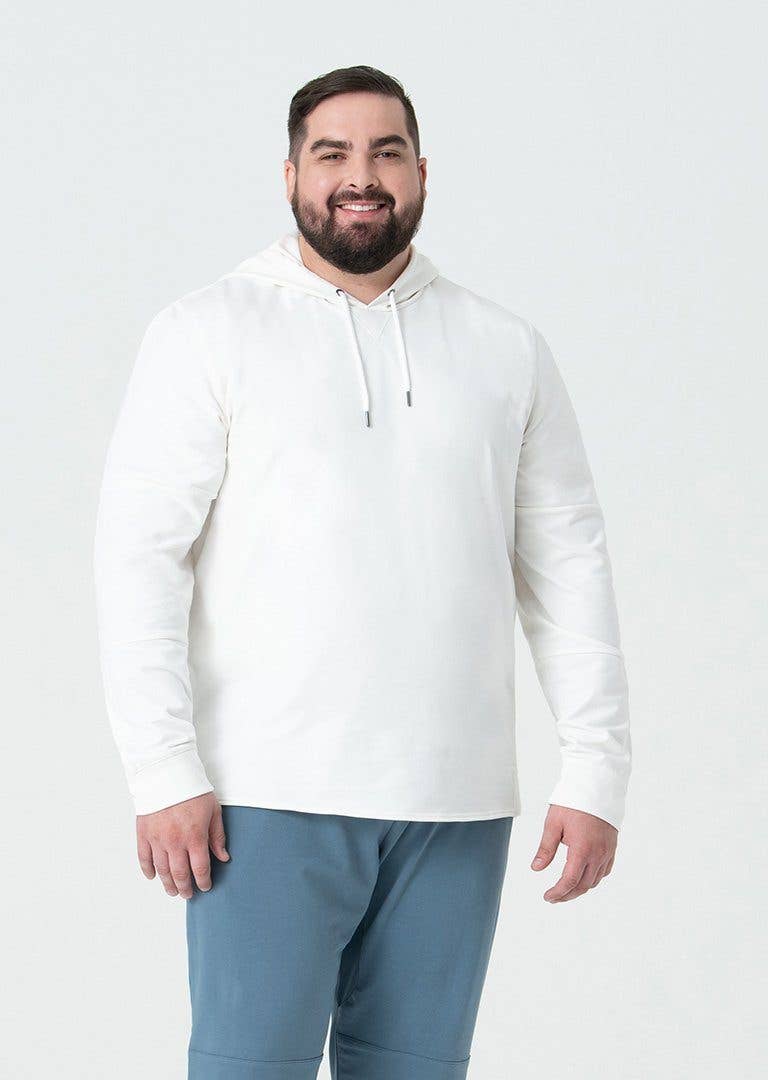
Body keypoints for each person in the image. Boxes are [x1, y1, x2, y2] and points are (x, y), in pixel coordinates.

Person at [93, 64, 632, 1079]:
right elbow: (139, 562)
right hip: (264, 797)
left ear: (421, 171)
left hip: (457, 803)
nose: (361, 176)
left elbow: (570, 568)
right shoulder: (208, 331)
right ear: (290, 173)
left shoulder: (505, 349)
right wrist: (163, 770)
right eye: (332, 153)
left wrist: (596, 769)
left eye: (386, 152)